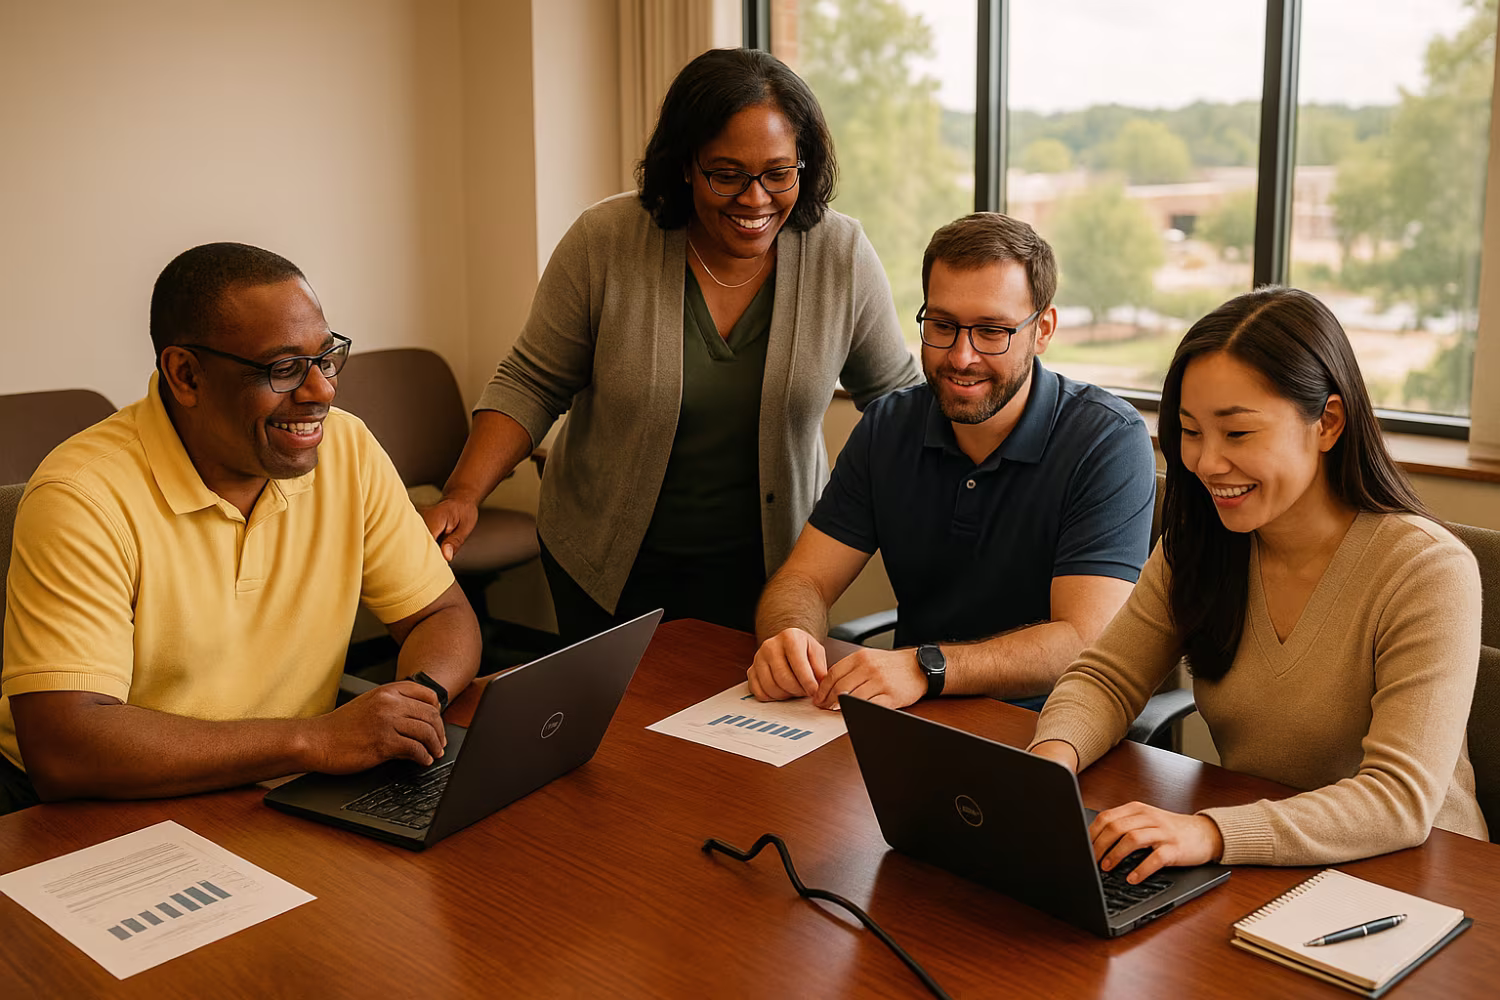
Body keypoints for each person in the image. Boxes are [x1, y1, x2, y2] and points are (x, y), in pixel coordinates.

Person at [421, 48, 921, 643]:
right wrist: (464, 493)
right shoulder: (605, 242)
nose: (755, 200)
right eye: (727, 174)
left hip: (774, 575)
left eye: (778, 173)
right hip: (606, 563)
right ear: (685, 164)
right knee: (618, 734)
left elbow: (897, 400)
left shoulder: (840, 255)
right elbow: (532, 381)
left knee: (752, 734)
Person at [0, 243, 481, 814]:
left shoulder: (345, 447)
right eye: (283, 369)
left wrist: (417, 701)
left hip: (279, 784)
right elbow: (66, 748)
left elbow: (440, 614)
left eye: (326, 358)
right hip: (101, 806)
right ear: (186, 374)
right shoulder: (83, 496)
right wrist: (316, 739)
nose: (322, 391)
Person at [1029, 287, 1488, 883]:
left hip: (1419, 880)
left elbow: (1399, 799)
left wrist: (1210, 831)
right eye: (1190, 431)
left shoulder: (1426, 570)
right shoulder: (1199, 547)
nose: (1206, 462)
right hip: (1267, 864)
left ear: (1326, 422)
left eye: (1237, 434)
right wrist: (1047, 768)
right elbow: (1106, 679)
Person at [748, 213, 1156, 712]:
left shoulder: (1107, 440)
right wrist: (788, 636)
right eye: (942, 325)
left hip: (1054, 729)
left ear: (1043, 329)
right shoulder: (887, 427)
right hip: (910, 719)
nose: (961, 356)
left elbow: (1083, 639)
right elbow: (802, 580)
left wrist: (926, 667)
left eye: (991, 331)